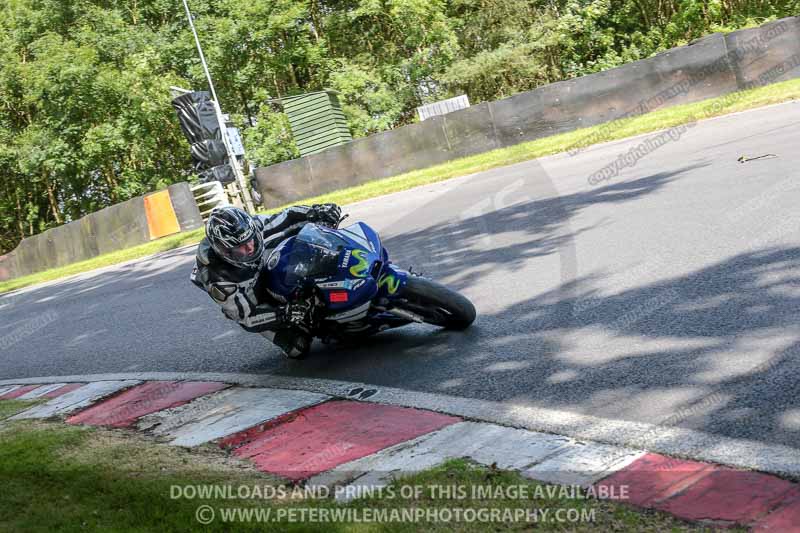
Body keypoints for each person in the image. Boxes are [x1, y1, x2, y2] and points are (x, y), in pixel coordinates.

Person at [190, 203, 341, 358]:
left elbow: (287, 216)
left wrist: (316, 211)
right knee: (298, 347)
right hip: (249, 297)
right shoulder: (218, 279)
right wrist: (284, 313)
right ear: (224, 251)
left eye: (251, 240)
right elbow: (247, 318)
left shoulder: (250, 228)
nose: (249, 248)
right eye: (240, 247)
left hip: (265, 265)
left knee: (301, 235)